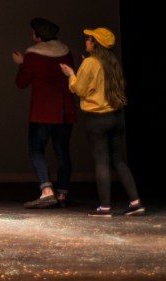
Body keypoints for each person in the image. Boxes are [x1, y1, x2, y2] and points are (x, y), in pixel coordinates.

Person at [60, 27, 145, 217]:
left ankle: (105, 207)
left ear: (95, 43)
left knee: (101, 162)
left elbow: (79, 89)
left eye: (89, 39)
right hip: (116, 117)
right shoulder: (112, 62)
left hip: (98, 119)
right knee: (119, 160)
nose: (86, 41)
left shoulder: (90, 63)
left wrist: (71, 74)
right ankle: (136, 202)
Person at [11, 17, 76, 208]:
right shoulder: (66, 52)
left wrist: (21, 64)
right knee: (62, 152)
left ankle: (47, 190)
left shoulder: (33, 55)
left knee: (36, 149)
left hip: (43, 112)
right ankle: (63, 193)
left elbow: (22, 83)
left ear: (38, 37)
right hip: (64, 110)